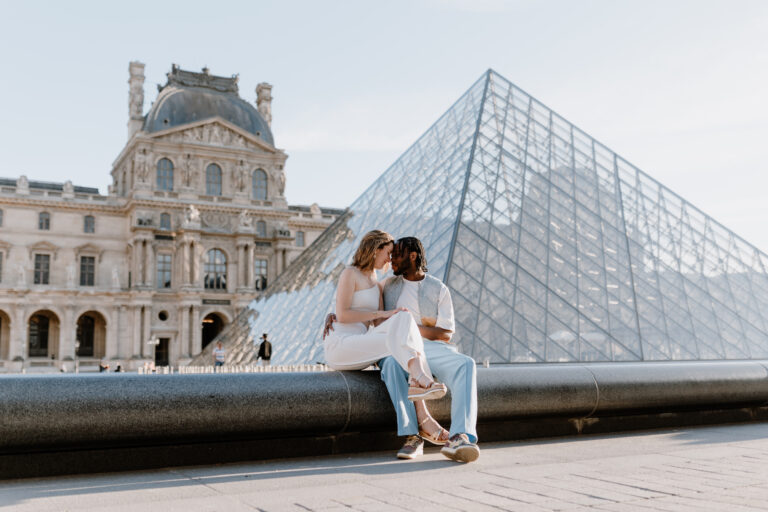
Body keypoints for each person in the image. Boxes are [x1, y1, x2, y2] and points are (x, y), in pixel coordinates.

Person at [325, 236, 479, 463]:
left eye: (396, 255)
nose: (392, 260)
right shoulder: (385, 285)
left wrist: (412, 332)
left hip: (430, 347)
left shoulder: (439, 289)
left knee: (466, 364)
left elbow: (446, 333)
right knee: (393, 367)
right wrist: (335, 315)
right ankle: (412, 436)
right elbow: (363, 313)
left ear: (413, 256)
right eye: (390, 254)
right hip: (393, 347)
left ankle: (460, 436)